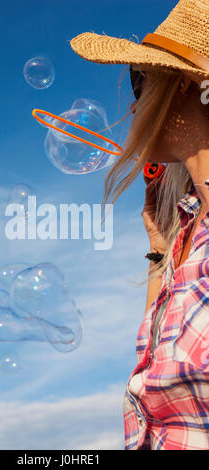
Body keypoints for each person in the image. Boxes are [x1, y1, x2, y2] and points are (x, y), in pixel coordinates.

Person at [69, 0, 209, 450]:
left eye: (141, 80)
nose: (133, 105)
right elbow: (148, 383)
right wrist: (158, 250)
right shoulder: (187, 229)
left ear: (185, 85)